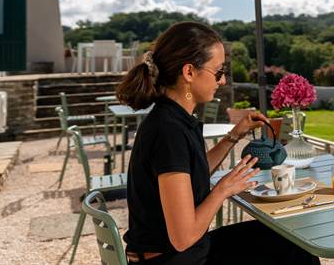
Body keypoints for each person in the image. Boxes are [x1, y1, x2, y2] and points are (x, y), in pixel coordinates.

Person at [116, 21, 320, 265]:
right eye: (218, 72)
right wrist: (223, 189)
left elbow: (191, 173)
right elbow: (183, 237)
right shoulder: (168, 132)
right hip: (174, 259)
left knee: (290, 241)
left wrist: (234, 136)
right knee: (293, 255)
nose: (222, 81)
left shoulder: (173, 118)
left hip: (184, 253)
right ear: (189, 72)